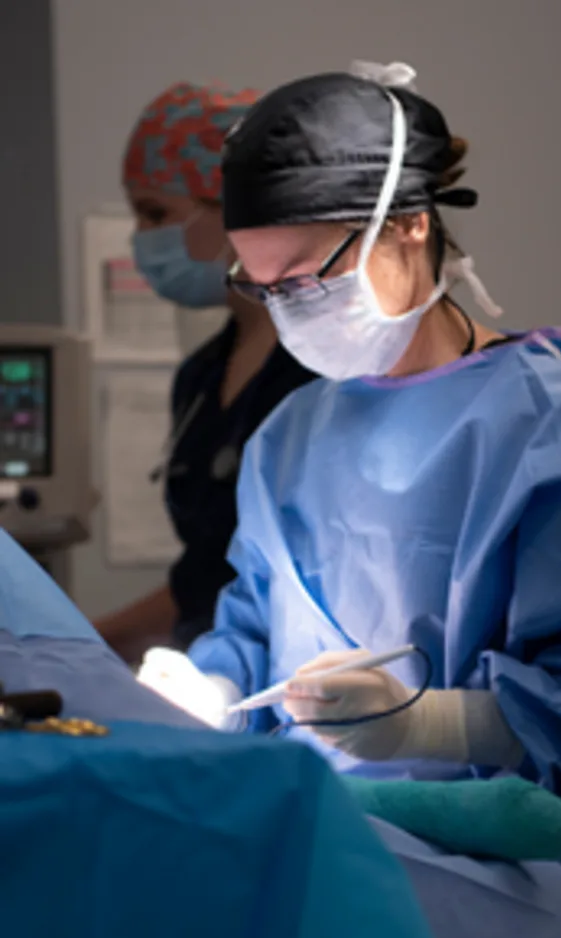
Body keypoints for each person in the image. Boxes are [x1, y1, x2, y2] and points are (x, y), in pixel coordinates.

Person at [141, 62, 561, 937]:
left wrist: (424, 727)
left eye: (307, 279)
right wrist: (209, 680)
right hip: (310, 834)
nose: (288, 310)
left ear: (410, 225)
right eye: (263, 287)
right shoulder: (291, 436)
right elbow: (255, 628)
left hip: (485, 874)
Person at [95, 82, 315, 662]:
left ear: (234, 204)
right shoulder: (199, 379)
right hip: (210, 673)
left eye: (155, 213)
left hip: (303, 674)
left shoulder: (321, 367)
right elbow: (203, 575)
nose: (142, 237)